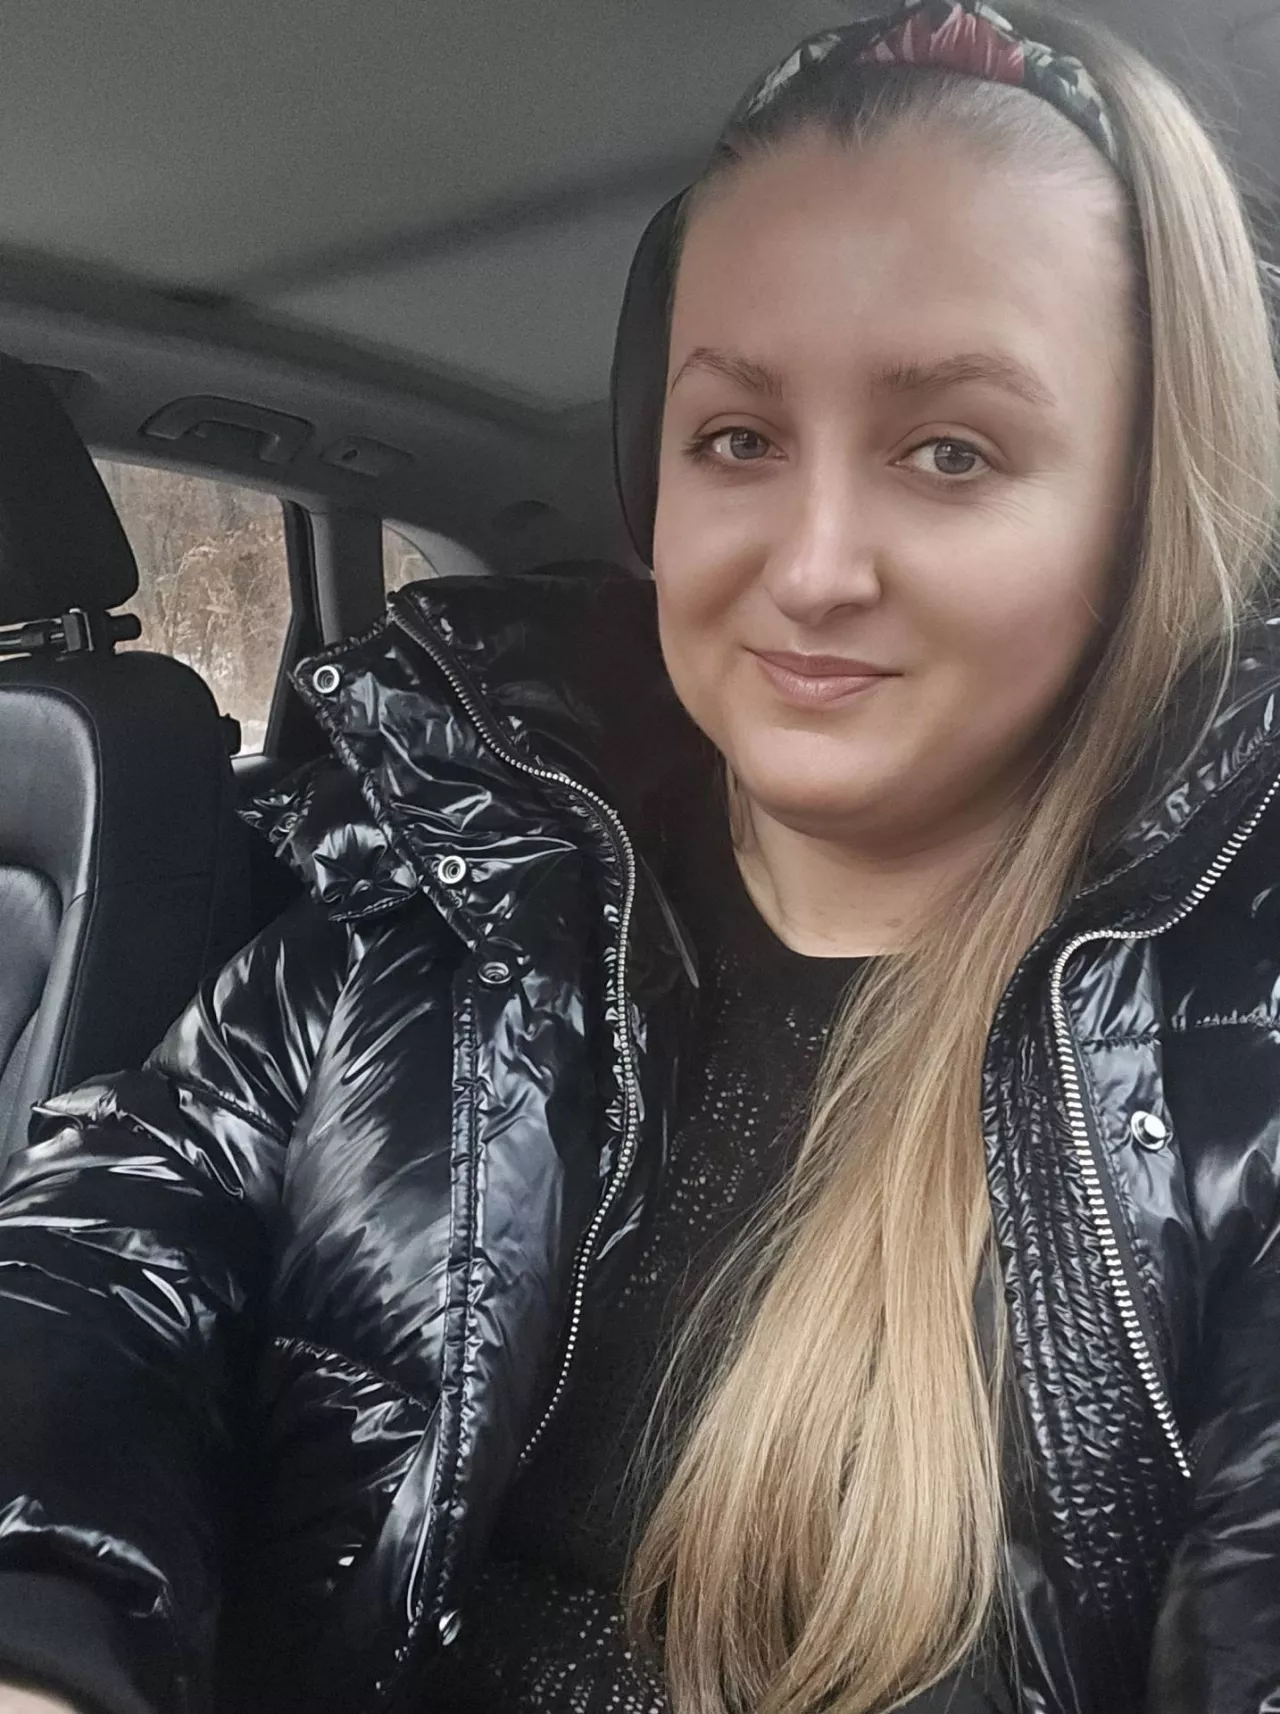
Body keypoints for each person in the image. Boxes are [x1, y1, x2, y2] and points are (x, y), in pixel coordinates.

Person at [0, 1, 1278, 1710]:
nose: (812, 567)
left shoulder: (1238, 1054)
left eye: (950, 451)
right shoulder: (436, 912)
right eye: (738, 438)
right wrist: (42, 1628)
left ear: (1142, 511)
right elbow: (108, 1242)